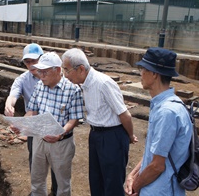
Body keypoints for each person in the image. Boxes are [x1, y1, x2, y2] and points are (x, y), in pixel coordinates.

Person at [61, 48, 138, 196]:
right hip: (96, 134)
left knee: (112, 182)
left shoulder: (103, 83)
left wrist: (129, 136)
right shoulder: (85, 84)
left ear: (81, 69)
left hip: (112, 136)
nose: (65, 75)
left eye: (67, 70)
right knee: (96, 179)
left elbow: (125, 115)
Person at [124, 47, 193, 196]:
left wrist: (135, 186)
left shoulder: (167, 112)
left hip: (161, 190)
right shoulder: (165, 105)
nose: (141, 74)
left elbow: (157, 166)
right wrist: (133, 174)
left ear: (154, 74)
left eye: (143, 69)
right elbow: (154, 152)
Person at [22, 51, 84, 196]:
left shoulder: (72, 90)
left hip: (61, 144)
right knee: (37, 179)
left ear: (57, 70)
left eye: (45, 72)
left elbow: (74, 119)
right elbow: (32, 110)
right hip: (39, 140)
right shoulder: (39, 86)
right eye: (39, 72)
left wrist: (61, 132)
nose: (41, 75)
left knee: (62, 183)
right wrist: (22, 123)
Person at [4, 43, 58, 195]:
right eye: (27, 62)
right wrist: (9, 105)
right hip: (34, 124)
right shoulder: (23, 79)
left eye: (34, 61)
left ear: (41, 59)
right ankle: (38, 192)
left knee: (55, 160)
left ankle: (56, 190)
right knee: (35, 161)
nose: (31, 65)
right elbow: (13, 94)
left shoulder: (52, 77)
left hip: (52, 124)